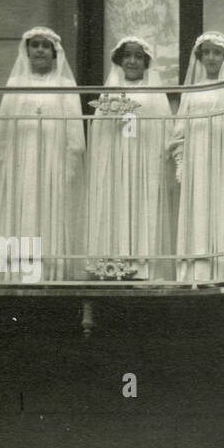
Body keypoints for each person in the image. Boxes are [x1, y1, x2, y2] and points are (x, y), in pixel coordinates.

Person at [0, 26, 85, 282]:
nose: (39, 50)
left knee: (49, 210)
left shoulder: (65, 85)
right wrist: (2, 161)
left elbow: (74, 131)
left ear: (54, 52)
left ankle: (50, 271)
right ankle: (15, 270)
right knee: (21, 208)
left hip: (53, 161)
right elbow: (3, 128)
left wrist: (70, 165)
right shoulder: (16, 84)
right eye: (34, 45)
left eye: (45, 46)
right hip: (20, 161)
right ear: (27, 50)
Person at [85, 36, 174, 280]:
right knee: (116, 203)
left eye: (138, 56)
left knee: (142, 205)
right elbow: (100, 130)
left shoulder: (154, 93)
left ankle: (142, 268)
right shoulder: (110, 92)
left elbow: (165, 128)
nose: (132, 61)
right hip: (116, 159)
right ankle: (111, 265)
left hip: (143, 160)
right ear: (120, 61)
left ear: (146, 62)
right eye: (127, 56)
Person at [172, 31, 224, 283]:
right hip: (198, 163)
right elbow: (180, 131)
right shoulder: (192, 91)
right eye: (205, 52)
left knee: (223, 208)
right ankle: (196, 272)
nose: (211, 57)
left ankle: (221, 270)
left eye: (216, 52)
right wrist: (182, 162)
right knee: (198, 211)